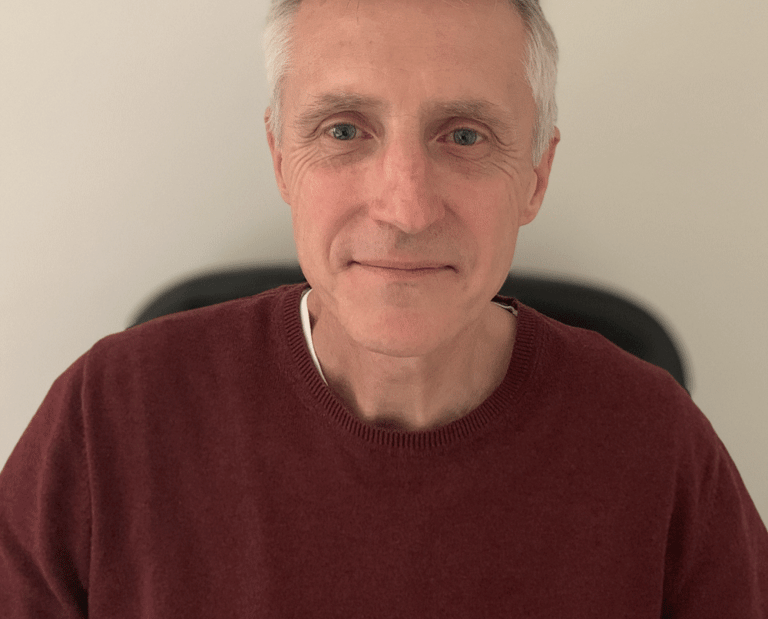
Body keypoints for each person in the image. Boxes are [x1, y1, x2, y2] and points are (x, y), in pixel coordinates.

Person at [1, 0, 766, 615]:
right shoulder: (108, 415)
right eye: (343, 130)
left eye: (464, 135)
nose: (405, 207)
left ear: (536, 176)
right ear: (280, 158)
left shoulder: (657, 443)